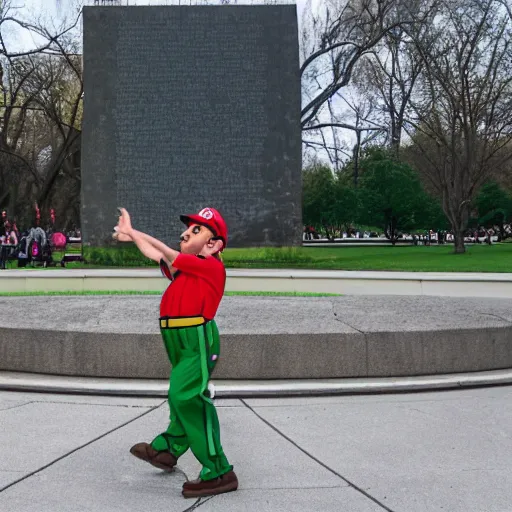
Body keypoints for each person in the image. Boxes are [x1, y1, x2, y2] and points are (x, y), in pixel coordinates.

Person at [113, 206, 238, 499]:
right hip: (177, 338)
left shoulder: (211, 266)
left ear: (213, 244)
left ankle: (219, 469)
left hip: (196, 337)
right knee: (181, 395)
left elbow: (167, 253)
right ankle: (168, 448)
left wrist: (132, 231)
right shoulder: (186, 268)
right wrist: (132, 237)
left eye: (196, 231)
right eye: (188, 229)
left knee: (186, 396)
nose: (185, 233)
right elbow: (156, 254)